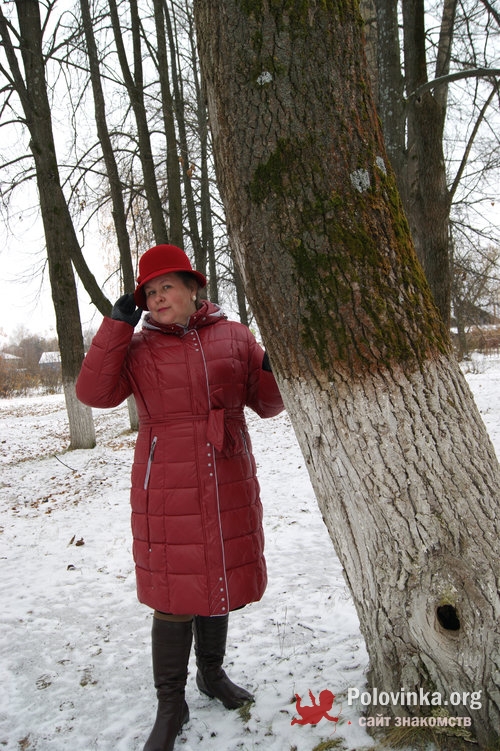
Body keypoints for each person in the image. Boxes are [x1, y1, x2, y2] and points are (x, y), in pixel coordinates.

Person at [76, 244, 284, 751]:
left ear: (194, 288)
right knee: (173, 591)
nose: (157, 296)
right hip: (164, 479)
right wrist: (115, 326)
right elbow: (93, 393)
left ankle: (211, 676)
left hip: (226, 471)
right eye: (149, 290)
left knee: (217, 579)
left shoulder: (236, 337)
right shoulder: (137, 347)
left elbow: (268, 404)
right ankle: (171, 704)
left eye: (167, 285)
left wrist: (274, 365)